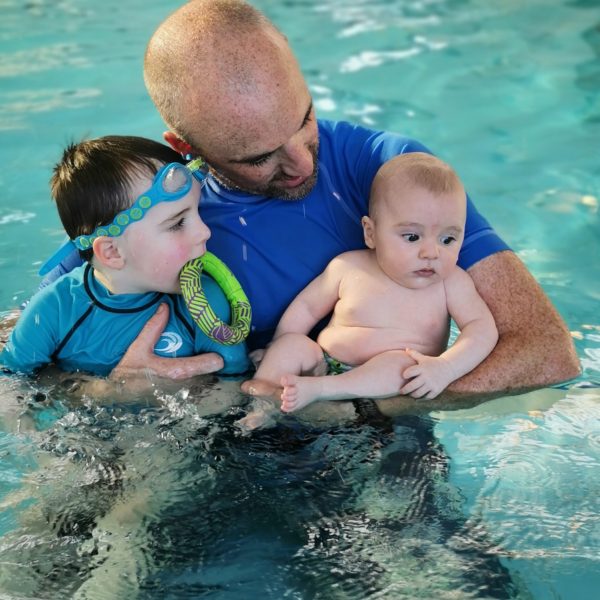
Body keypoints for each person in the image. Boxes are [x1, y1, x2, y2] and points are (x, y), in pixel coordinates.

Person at [38, 0, 579, 402]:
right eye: (260, 157)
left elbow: (545, 351)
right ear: (187, 149)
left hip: (369, 434)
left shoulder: (391, 176)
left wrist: (368, 406)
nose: (301, 163)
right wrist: (103, 391)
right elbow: (23, 362)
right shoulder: (155, 211)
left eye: (305, 119)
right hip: (221, 436)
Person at [242, 152, 499, 413]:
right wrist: (277, 344)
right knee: (292, 345)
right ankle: (262, 400)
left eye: (447, 240)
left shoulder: (451, 283)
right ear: (371, 233)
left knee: (403, 366)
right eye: (412, 237)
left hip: (378, 386)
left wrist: (446, 367)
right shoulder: (348, 266)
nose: (431, 253)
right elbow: (307, 308)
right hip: (322, 363)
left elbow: (481, 329)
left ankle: (321, 392)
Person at [1, 136, 249, 378]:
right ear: (112, 252)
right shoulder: (53, 311)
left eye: (198, 211)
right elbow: (12, 392)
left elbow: (232, 390)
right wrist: (108, 393)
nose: (204, 232)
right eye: (177, 223)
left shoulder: (206, 304)